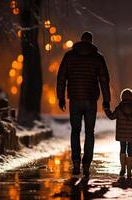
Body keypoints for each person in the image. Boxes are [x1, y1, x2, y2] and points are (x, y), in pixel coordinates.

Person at [56, 31, 111, 177]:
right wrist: (106, 101)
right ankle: (86, 164)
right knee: (89, 132)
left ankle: (75, 162)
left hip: (74, 99)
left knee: (75, 131)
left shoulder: (69, 56)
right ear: (91, 42)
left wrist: (60, 97)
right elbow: (104, 80)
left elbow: (61, 77)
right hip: (91, 100)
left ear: (81, 41)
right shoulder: (98, 58)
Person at [104, 88, 132, 178]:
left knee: (122, 149)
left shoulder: (119, 109)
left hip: (121, 134)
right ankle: (129, 171)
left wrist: (106, 109)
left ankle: (122, 168)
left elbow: (111, 116)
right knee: (130, 151)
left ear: (122, 97)